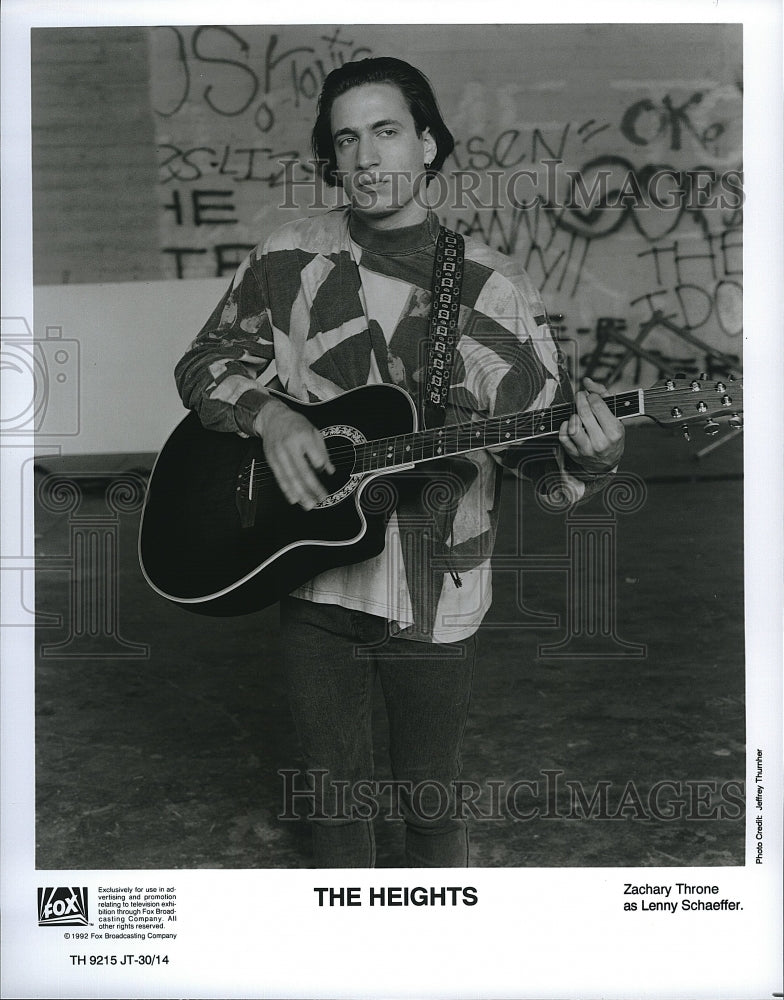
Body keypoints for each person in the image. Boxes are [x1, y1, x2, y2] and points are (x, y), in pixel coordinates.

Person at [174, 56, 625, 868]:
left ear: (426, 145)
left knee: (431, 800)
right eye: (347, 139)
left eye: (386, 132)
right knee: (333, 806)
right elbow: (204, 364)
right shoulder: (286, 259)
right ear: (332, 157)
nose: (368, 156)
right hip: (308, 571)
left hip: (435, 584)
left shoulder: (491, 290)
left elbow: (535, 458)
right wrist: (269, 414)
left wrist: (591, 463)